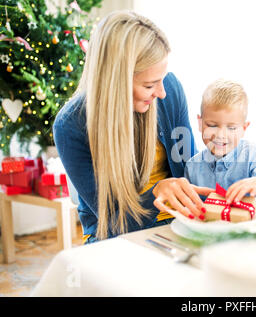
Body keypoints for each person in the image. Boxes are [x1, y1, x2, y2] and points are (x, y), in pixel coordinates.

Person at [53, 11, 213, 242]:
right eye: (149, 85)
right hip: (117, 238)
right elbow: (112, 225)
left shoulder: (170, 89)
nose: (162, 92)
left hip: (181, 224)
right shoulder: (71, 125)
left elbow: (193, 172)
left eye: (162, 78)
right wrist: (156, 194)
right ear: (116, 83)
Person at [184, 79, 256, 208]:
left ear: (244, 129)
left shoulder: (254, 156)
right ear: (200, 123)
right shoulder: (192, 167)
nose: (220, 135)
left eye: (231, 128)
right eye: (212, 125)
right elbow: (190, 209)